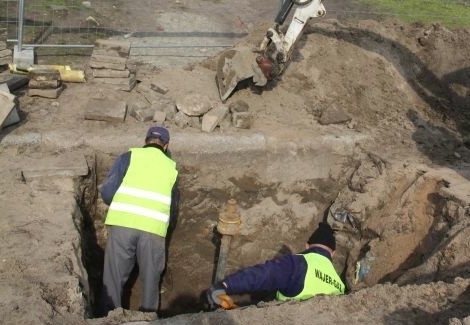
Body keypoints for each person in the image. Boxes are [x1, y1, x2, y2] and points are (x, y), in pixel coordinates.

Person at [100, 125, 179, 314]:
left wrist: (122, 205)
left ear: (145, 142)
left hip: (123, 223)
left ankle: (110, 318)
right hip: (153, 228)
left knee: (114, 275)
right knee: (151, 278)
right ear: (165, 146)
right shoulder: (171, 168)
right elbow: (173, 207)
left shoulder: (128, 157)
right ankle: (148, 319)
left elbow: (108, 192)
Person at [206, 221, 345, 309]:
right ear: (333, 253)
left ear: (307, 245)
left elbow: (264, 275)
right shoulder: (340, 285)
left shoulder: (297, 264)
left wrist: (226, 285)